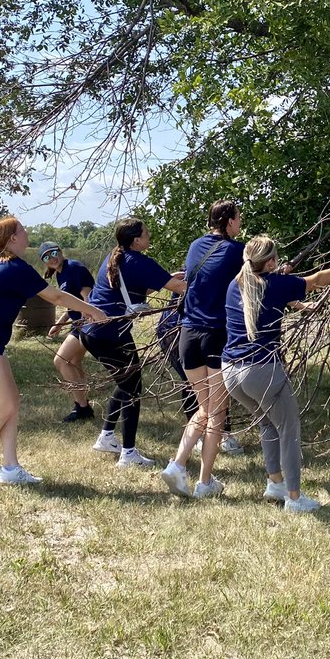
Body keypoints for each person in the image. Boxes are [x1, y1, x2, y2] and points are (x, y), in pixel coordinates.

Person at [0, 217, 107, 485]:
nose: (27, 233)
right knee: (4, 404)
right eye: (23, 230)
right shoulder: (12, 267)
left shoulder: (10, 264)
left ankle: (11, 469)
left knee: (11, 401)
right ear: (12, 238)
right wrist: (91, 309)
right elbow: (56, 297)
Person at [219, 236, 330, 513]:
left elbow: (274, 293)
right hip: (261, 370)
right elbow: (315, 280)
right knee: (289, 428)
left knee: (267, 424)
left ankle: (275, 483)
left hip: (230, 371)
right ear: (270, 262)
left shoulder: (237, 283)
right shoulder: (275, 284)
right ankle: (294, 497)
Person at [79, 218, 185, 468]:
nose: (149, 237)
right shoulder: (140, 262)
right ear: (136, 240)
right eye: (146, 234)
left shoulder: (116, 257)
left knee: (126, 381)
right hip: (111, 333)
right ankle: (128, 453)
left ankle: (106, 437)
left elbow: (134, 289)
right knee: (132, 390)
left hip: (92, 331)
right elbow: (182, 288)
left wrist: (165, 278)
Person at [161, 199, 245, 499]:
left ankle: (177, 465)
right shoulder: (237, 251)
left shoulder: (196, 245)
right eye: (237, 218)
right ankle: (204, 480)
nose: (240, 222)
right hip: (216, 335)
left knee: (204, 407)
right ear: (228, 221)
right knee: (217, 412)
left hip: (187, 334)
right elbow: (255, 280)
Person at [156, 300, 245, 453]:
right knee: (194, 385)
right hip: (178, 328)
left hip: (205, 326)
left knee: (216, 385)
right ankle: (200, 436)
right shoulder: (198, 276)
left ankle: (223, 433)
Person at [37, 241, 96, 423]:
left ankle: (82, 408)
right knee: (74, 361)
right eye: (46, 257)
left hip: (86, 322)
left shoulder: (74, 267)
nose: (52, 258)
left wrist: (89, 312)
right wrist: (60, 323)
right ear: (44, 261)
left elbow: (87, 292)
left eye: (54, 253)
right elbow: (71, 303)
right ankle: (83, 403)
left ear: (61, 252)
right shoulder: (60, 274)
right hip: (78, 322)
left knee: (61, 361)